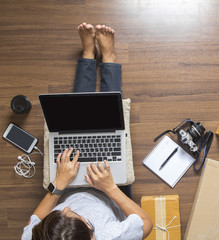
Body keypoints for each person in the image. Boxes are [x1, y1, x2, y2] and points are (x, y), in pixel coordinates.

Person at [21, 23, 153, 240]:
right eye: (72, 214)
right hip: (109, 192)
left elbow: (31, 225)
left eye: (58, 215)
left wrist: (58, 186)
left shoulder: (37, 236)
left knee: (76, 120)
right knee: (111, 118)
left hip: (67, 188)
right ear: (92, 235)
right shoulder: (110, 236)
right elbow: (146, 224)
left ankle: (88, 55)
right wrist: (109, 187)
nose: (64, 209)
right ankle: (108, 57)